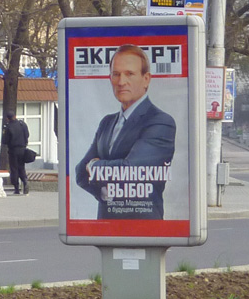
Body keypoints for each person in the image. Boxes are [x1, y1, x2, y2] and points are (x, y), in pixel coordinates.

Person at [74, 44, 176, 219]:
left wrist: (94, 166)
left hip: (143, 226)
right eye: (116, 74)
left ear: (146, 79)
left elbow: (129, 170)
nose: (121, 82)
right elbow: (80, 173)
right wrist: (107, 193)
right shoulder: (107, 122)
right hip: (107, 226)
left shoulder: (160, 122)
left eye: (129, 74)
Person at [2, 110, 30, 195]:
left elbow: (5, 141)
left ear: (7, 118)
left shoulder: (8, 127)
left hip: (13, 150)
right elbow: (27, 135)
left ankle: (17, 188)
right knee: (21, 167)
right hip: (22, 149)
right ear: (15, 116)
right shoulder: (22, 124)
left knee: (14, 169)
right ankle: (25, 181)